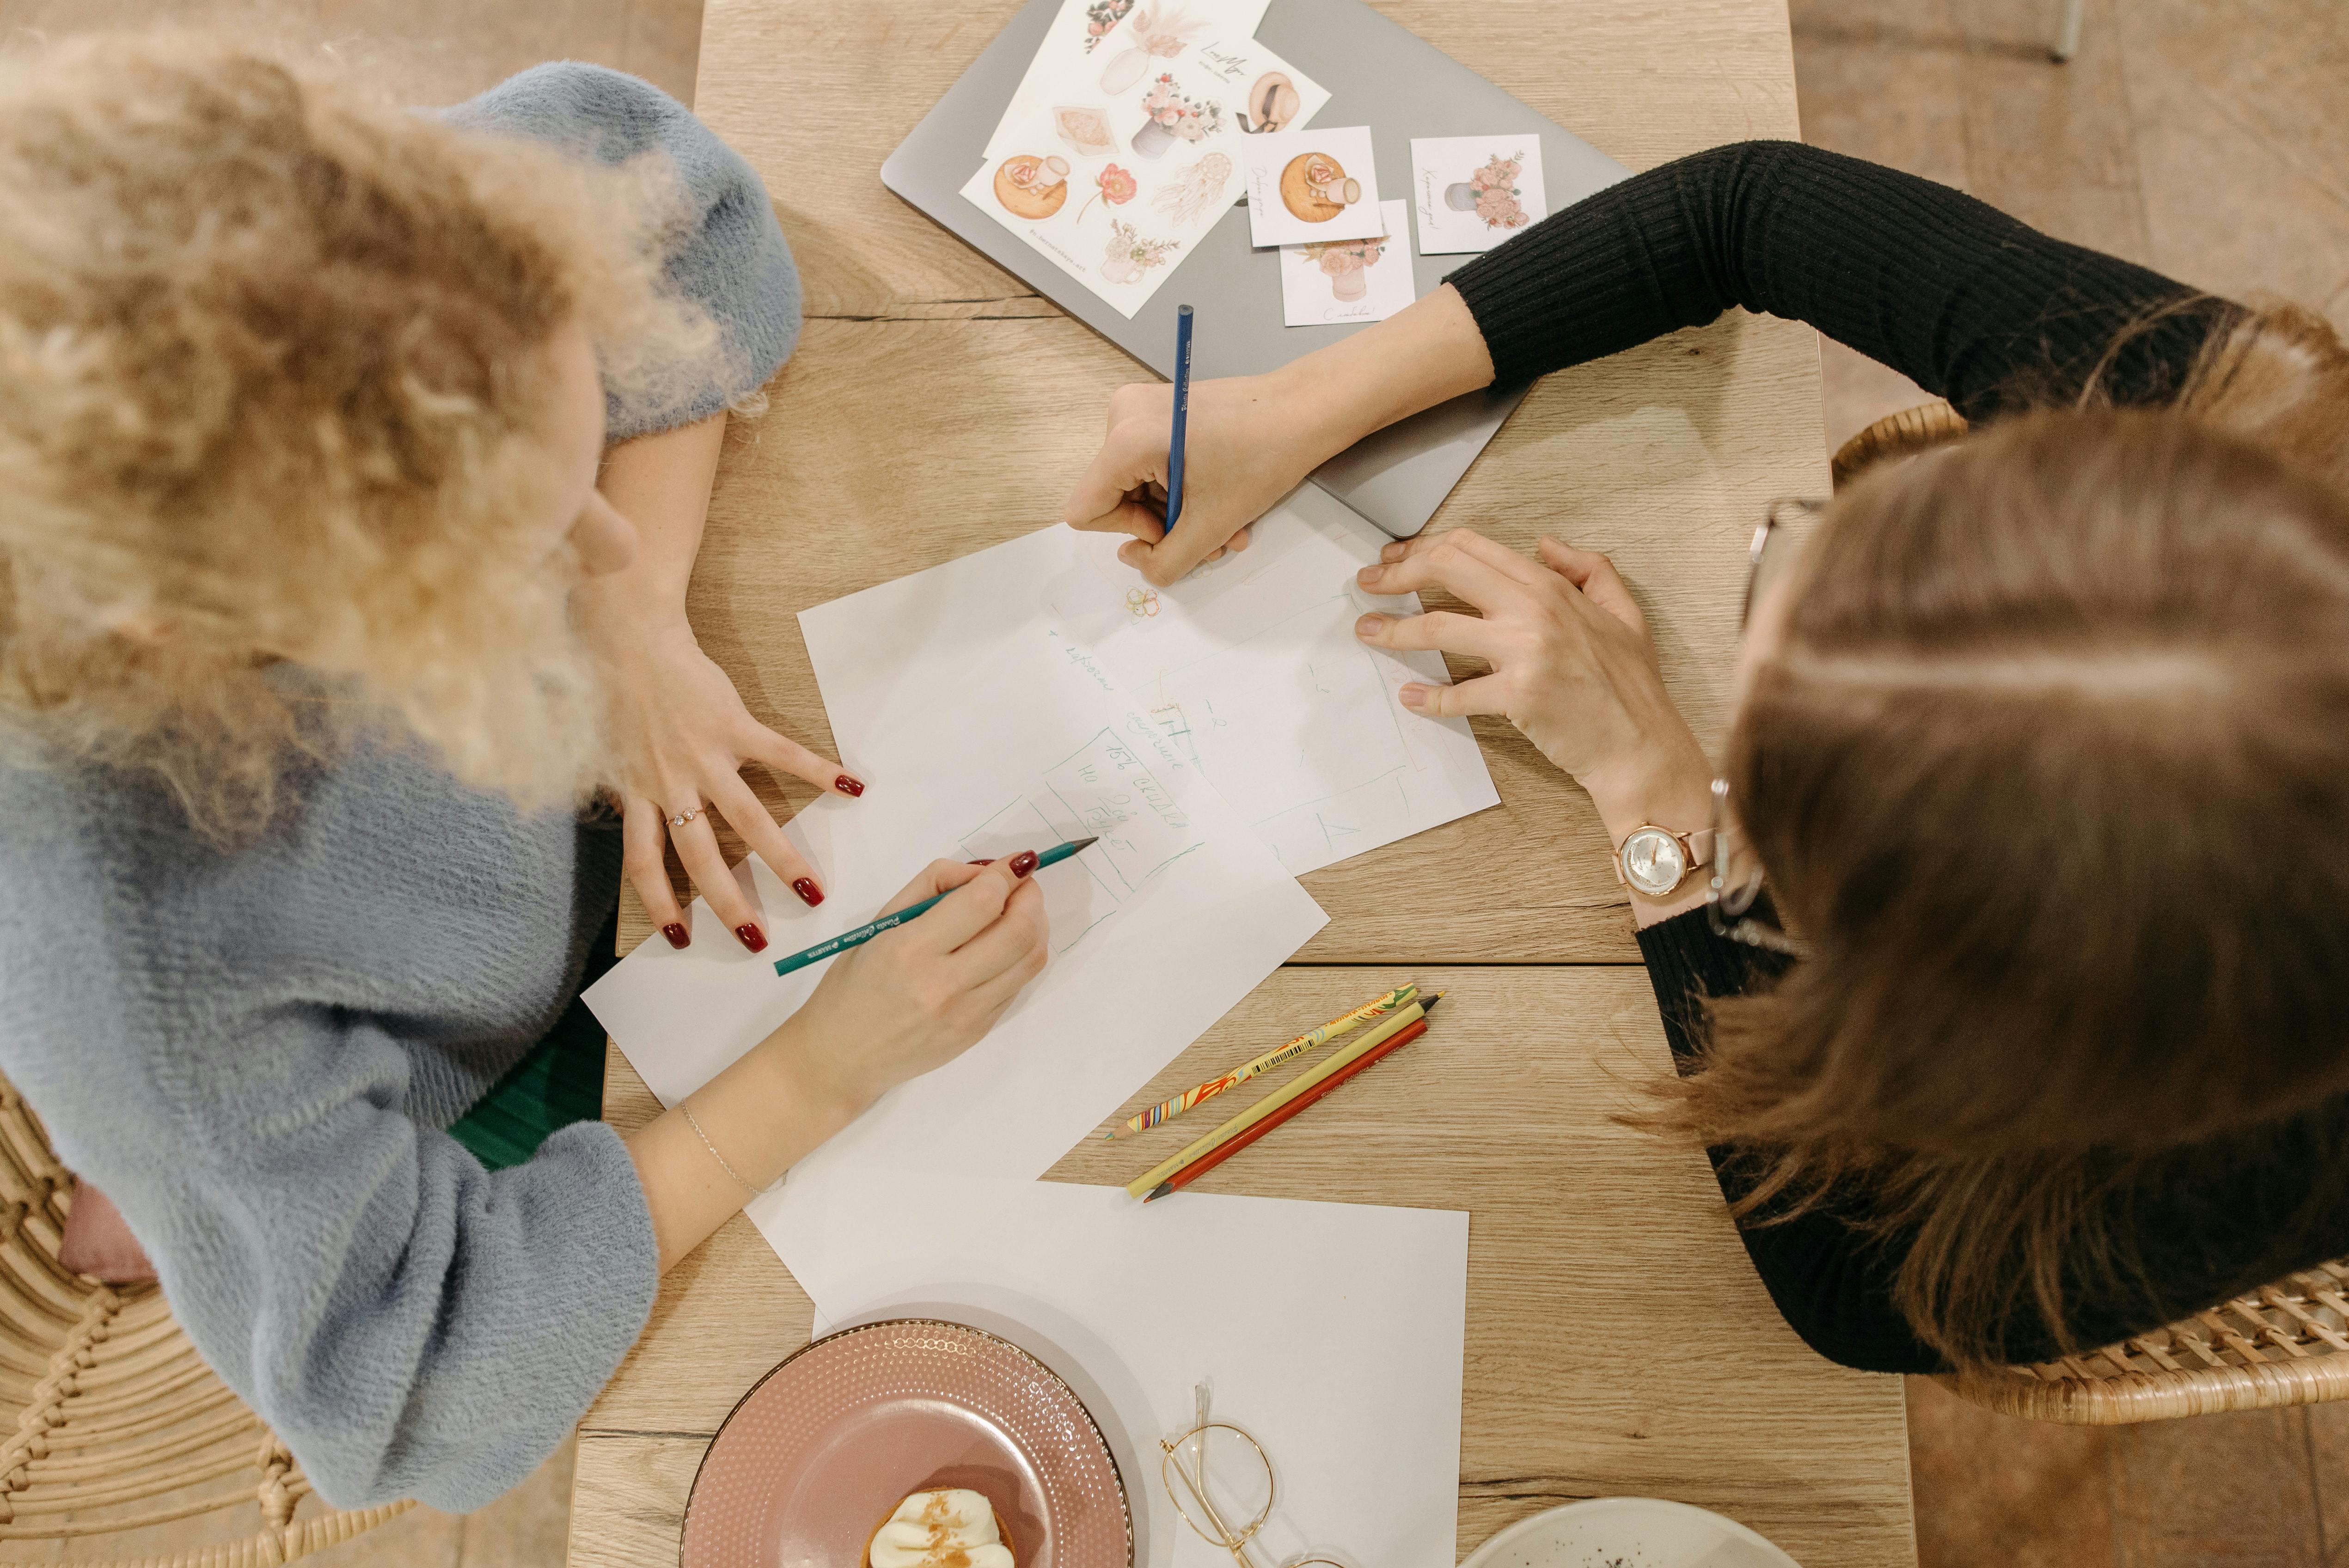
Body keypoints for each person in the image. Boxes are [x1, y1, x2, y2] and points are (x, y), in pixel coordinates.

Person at [1064, 140, 2349, 1374]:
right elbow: (1745, 206)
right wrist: (1290, 410)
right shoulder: (2244, 470)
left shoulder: (2275, 1121)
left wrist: (1662, 805)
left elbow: (1862, 1290)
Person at [0, 43, 1048, 1509]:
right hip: (452, 1056)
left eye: (576, 453)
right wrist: (821, 1071)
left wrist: (636, 619)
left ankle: (214, 1190)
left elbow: (687, 202)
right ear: (215, 640)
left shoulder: (358, 247)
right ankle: (198, 1190)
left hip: (495, 903)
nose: (602, 547)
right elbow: (411, 1390)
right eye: (521, 560)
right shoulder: (130, 951)